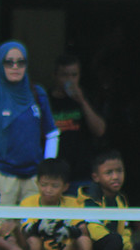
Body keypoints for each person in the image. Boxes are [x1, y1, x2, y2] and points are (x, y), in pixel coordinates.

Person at [0, 40, 59, 205]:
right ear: (0, 64)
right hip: (2, 179)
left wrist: (46, 172)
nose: (15, 67)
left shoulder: (37, 93)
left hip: (34, 179)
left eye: (21, 62)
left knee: (32, 228)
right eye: (9, 62)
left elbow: (52, 134)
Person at [46, 54, 107, 191]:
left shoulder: (86, 97)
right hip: (55, 175)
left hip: (82, 173)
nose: (70, 80)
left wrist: (82, 101)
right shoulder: (46, 100)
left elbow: (100, 130)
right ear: (55, 75)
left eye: (74, 75)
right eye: (65, 75)